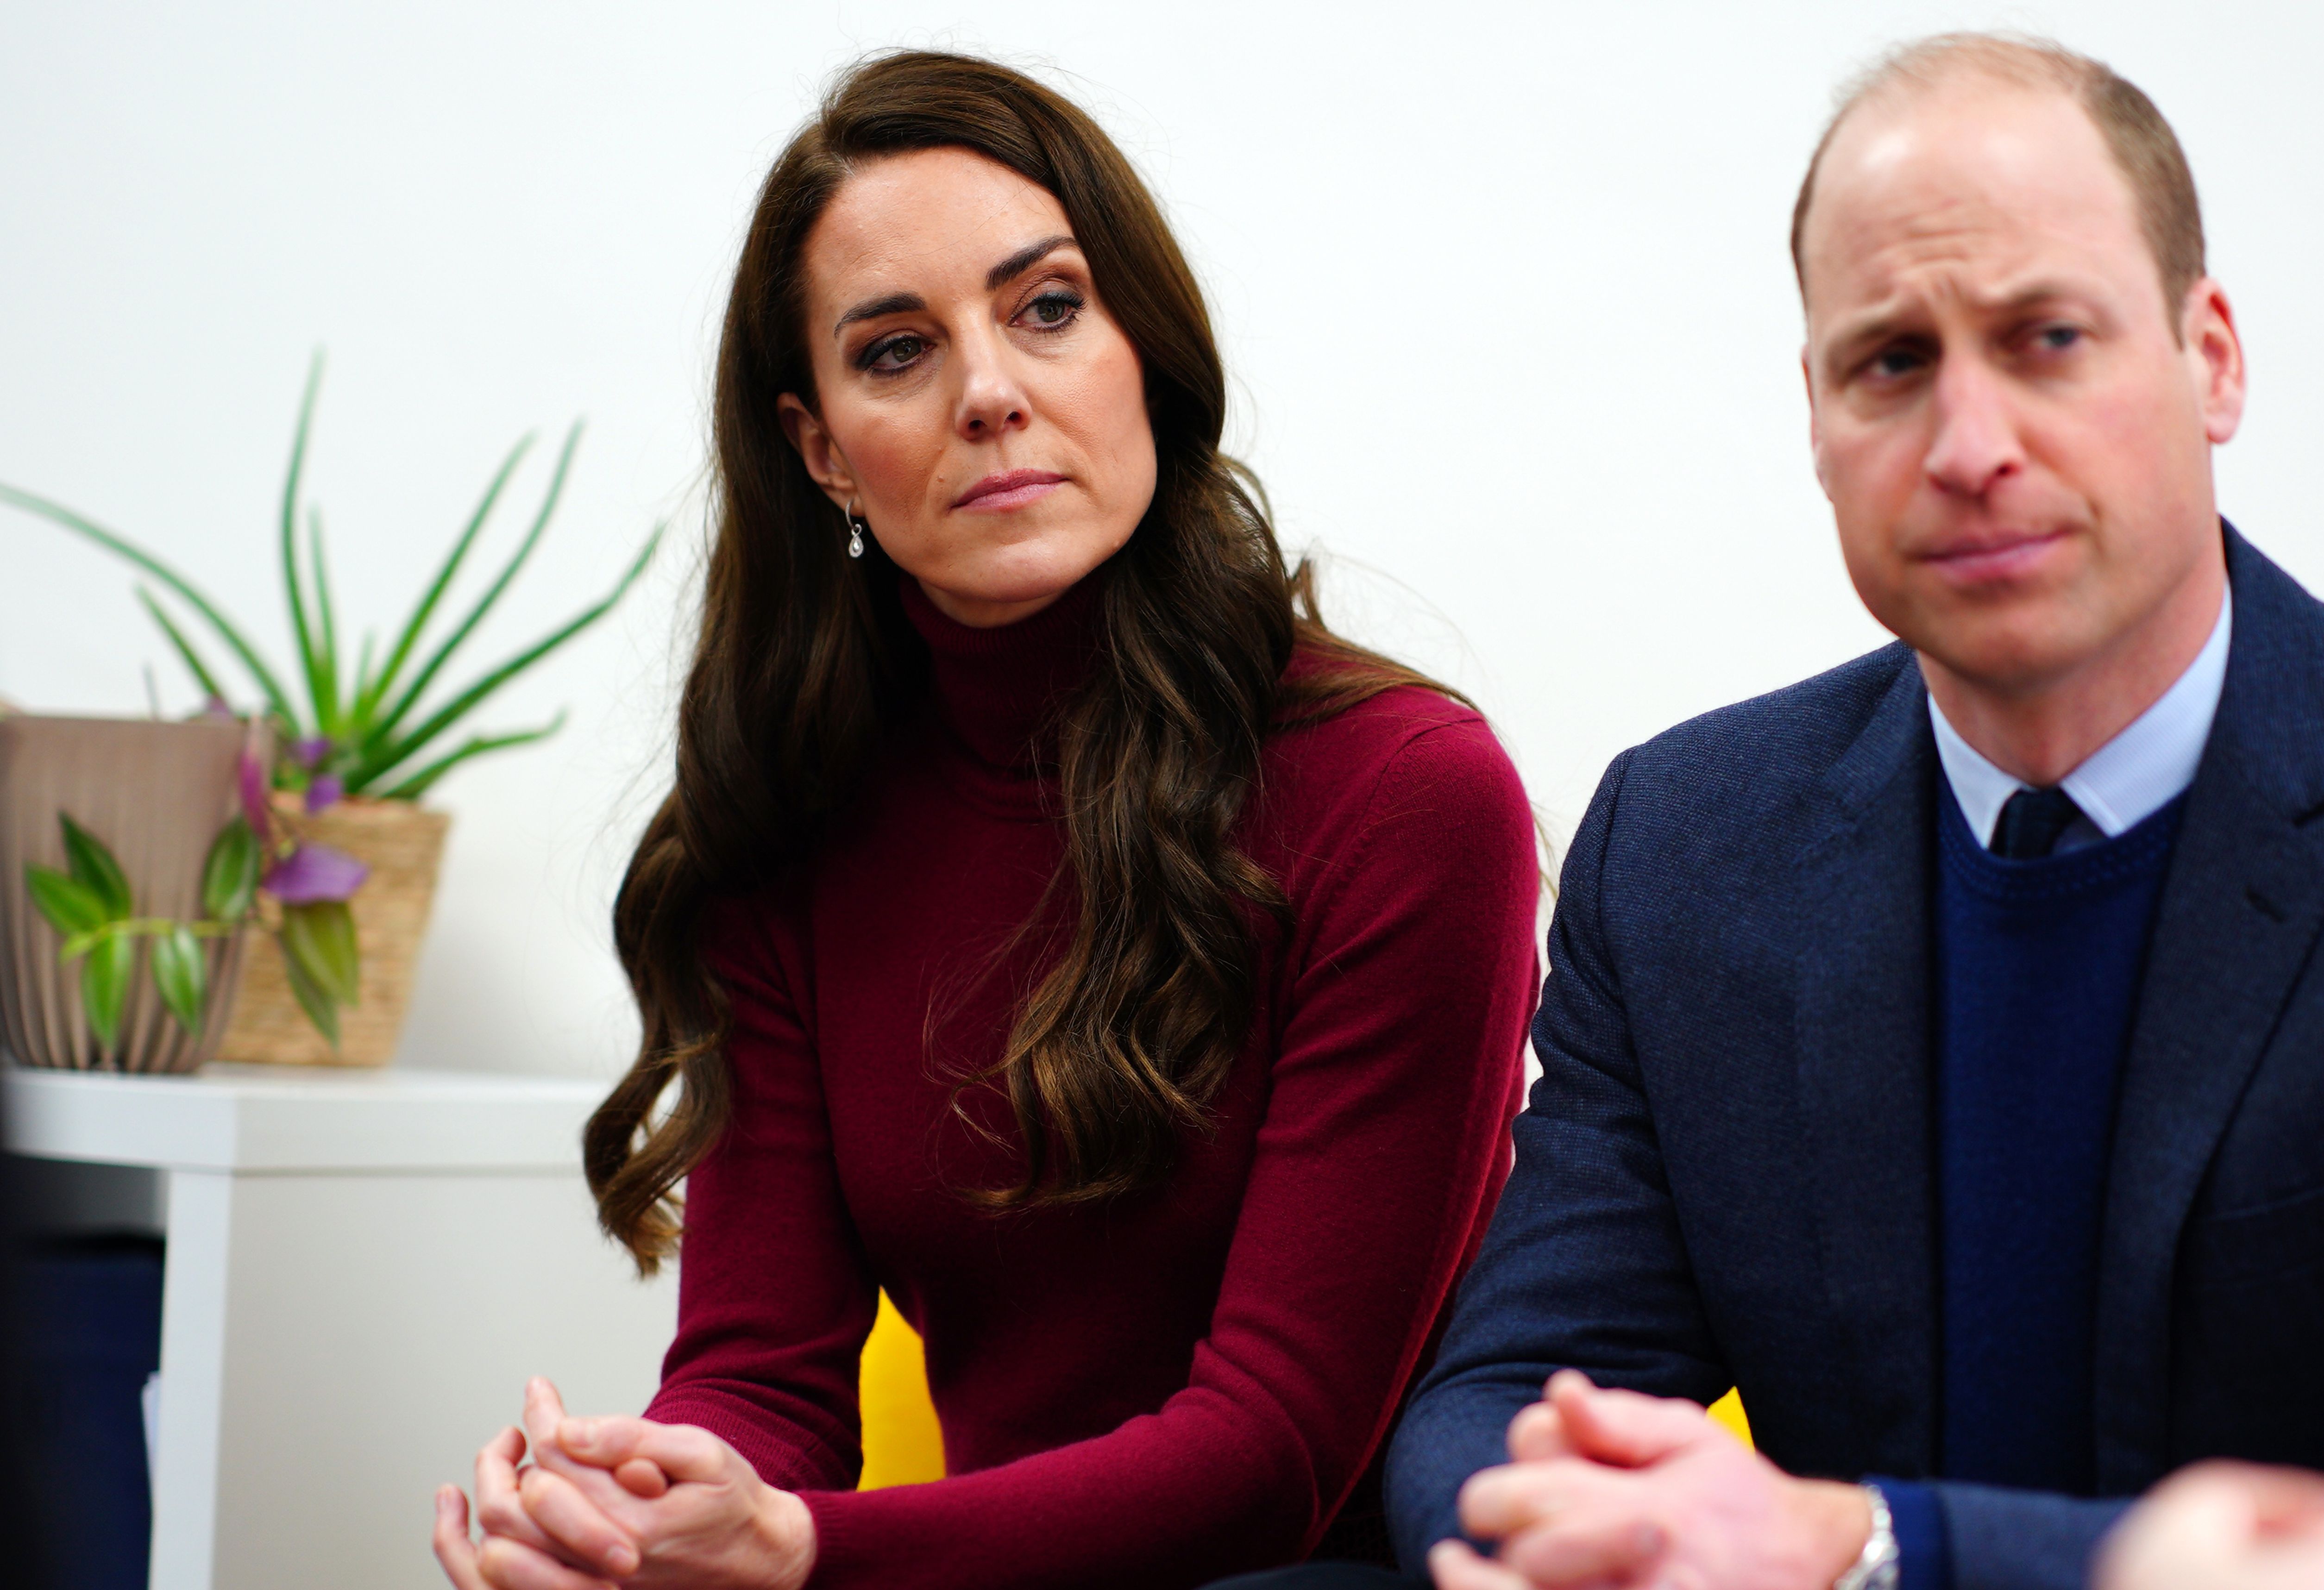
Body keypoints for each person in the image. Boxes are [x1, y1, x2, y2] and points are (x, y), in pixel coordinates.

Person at [1362, 32, 2324, 1590]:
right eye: (1890, 362)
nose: (1970, 448)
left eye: (2047, 338)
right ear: (1814, 416)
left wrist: (1864, 1546)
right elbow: (1504, 1394)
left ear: (2212, 357)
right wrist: (1559, 1538)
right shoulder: (1685, 843)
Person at [426, 51, 1540, 1590]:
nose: (993, 391)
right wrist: (639, 1511)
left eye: (1048, 307)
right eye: (897, 351)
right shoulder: (792, 822)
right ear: (821, 449)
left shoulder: (1405, 792)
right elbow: (766, 1382)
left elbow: (1278, 1448)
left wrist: (804, 1551)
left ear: (1140, 344)